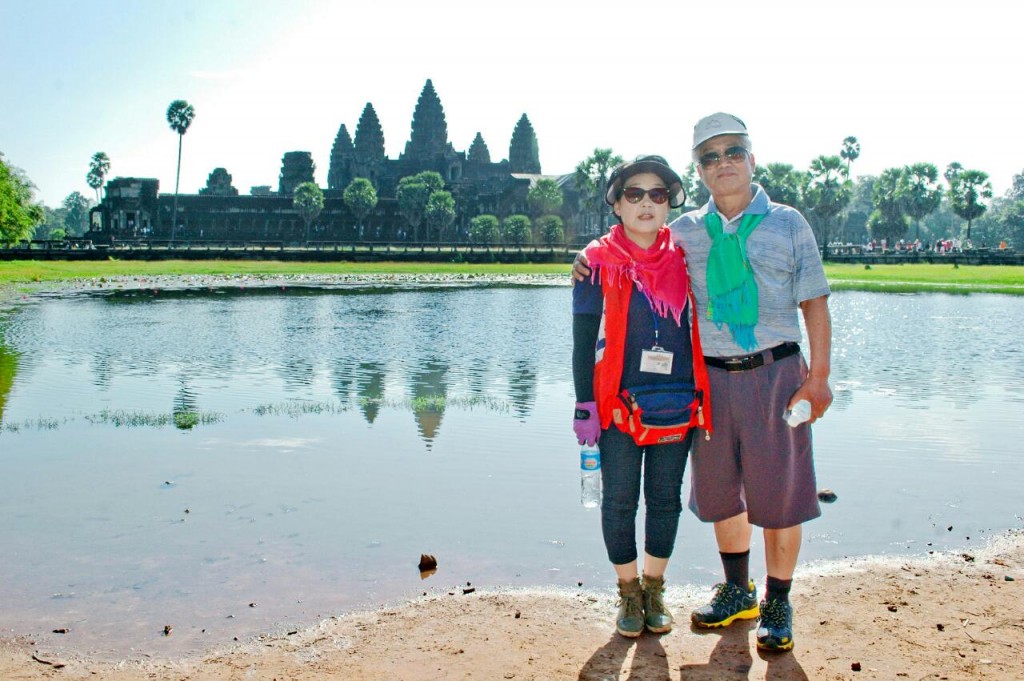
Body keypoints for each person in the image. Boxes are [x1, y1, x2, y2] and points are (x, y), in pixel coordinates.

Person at [574, 113, 833, 652]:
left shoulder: (789, 223)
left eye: (733, 151)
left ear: (752, 159)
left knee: (780, 494)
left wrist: (820, 379)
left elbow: (815, 302)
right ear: (700, 169)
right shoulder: (687, 232)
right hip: (709, 380)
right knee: (721, 491)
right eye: (710, 156)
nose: (723, 163)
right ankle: (738, 590)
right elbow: (634, 245)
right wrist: (587, 256)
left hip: (776, 372)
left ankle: (778, 600)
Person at [572, 155, 711, 638]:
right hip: (616, 404)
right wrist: (584, 406)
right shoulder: (595, 264)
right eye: (635, 194)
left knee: (665, 500)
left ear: (670, 203)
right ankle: (628, 592)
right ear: (617, 204)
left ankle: (655, 589)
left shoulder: (688, 258)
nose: (646, 203)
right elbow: (582, 342)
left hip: (675, 402)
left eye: (658, 194)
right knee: (619, 501)